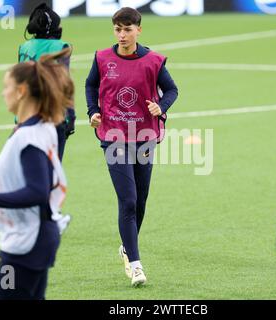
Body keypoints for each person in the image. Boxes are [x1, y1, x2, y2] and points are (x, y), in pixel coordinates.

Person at [0, 48, 73, 300]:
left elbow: (36, 192)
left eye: (7, 87)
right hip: (37, 236)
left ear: (21, 91)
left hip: (26, 243)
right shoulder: (42, 126)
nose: (3, 93)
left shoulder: (29, 137)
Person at [85, 7, 178, 286]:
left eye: (127, 29)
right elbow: (91, 85)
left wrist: (159, 107)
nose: (122, 35)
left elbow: (172, 89)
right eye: (117, 29)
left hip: (145, 135)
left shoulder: (153, 61)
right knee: (127, 199)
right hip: (114, 135)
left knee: (140, 199)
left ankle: (127, 246)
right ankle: (136, 265)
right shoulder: (102, 58)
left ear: (139, 29)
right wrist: (93, 111)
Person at [18, 2, 75, 161]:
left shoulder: (24, 47)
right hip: (53, 116)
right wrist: (71, 117)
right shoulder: (61, 46)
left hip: (26, 116)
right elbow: (64, 84)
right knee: (53, 173)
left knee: (32, 170)